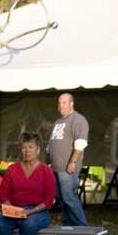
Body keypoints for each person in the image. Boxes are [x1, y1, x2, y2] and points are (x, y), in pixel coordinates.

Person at [0, 132, 56, 235]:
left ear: (38, 149)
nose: (27, 151)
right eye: (24, 147)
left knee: (28, 224)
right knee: (0, 223)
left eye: (31, 147)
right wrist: (11, 209)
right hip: (15, 209)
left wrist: (29, 212)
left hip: (37, 211)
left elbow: (48, 200)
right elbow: (3, 194)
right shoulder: (12, 169)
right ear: (20, 150)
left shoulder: (46, 171)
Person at [47, 93, 89, 226]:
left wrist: (73, 162)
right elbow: (52, 143)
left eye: (64, 102)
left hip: (68, 168)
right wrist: (48, 161)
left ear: (72, 104)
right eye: (59, 103)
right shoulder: (58, 121)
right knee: (62, 198)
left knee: (69, 197)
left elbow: (81, 143)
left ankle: (81, 227)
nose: (61, 105)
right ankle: (68, 225)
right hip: (56, 167)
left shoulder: (78, 120)